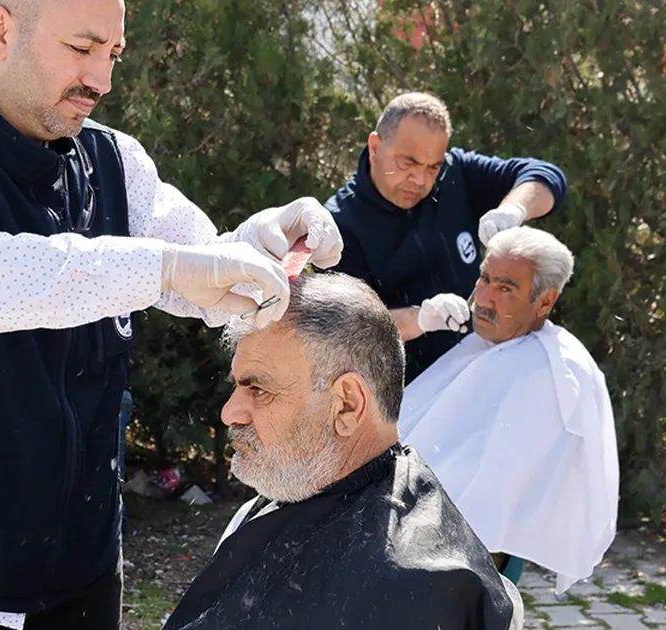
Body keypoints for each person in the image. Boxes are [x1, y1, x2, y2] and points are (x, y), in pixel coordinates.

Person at [0, 0, 344, 628]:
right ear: (1, 29)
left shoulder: (117, 162)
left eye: (111, 54)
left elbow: (198, 268)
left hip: (75, 575)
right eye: (82, 48)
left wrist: (263, 242)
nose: (103, 80)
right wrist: (164, 268)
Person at [163, 272, 523, 630]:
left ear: (346, 405)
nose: (229, 413)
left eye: (258, 389)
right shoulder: (268, 505)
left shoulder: (415, 589)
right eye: (237, 387)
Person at [397, 226, 620, 594]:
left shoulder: (549, 373)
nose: (482, 298)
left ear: (545, 302)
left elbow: (492, 491)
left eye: (505, 289)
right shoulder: (488, 344)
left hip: (465, 559)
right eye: (484, 278)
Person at [326, 92, 568, 384]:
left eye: (432, 167)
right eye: (408, 163)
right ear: (375, 147)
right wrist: (422, 318)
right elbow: (345, 328)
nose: (420, 180)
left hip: (481, 369)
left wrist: (513, 209)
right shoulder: (339, 227)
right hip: (406, 398)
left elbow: (546, 176)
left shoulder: (455, 175)